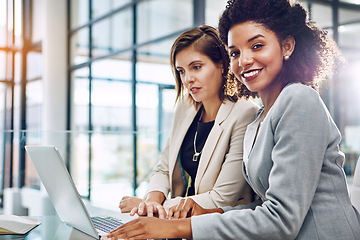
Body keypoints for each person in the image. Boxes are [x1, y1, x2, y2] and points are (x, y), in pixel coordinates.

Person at [104, 0, 360, 239]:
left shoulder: (298, 98)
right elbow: (263, 205)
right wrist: (208, 214)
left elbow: (282, 219)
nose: (244, 60)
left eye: (257, 45)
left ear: (287, 46)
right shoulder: (260, 117)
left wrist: (178, 227)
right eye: (235, 52)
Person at [119, 25, 259, 219]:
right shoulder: (186, 106)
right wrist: (151, 201)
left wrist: (157, 207)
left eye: (196, 67)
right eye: (181, 71)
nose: (187, 79)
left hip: (216, 227)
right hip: (176, 225)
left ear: (221, 65)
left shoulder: (244, 113)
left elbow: (222, 198)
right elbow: (164, 167)